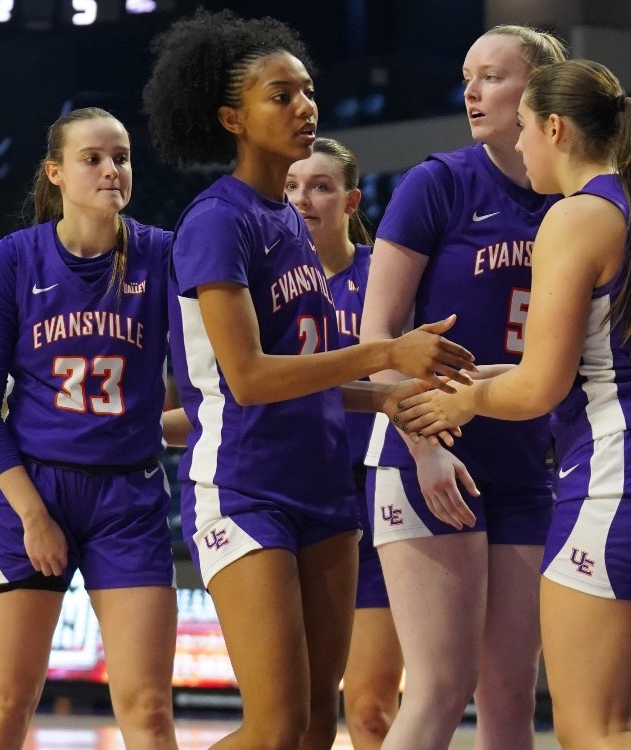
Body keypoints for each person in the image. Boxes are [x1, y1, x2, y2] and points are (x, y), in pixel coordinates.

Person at [143, 11, 473, 749]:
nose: (303, 106)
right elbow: (251, 379)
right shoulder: (215, 222)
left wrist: (390, 398)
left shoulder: (289, 223)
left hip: (326, 485)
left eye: (307, 91)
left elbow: (310, 375)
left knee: (318, 729)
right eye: (280, 95)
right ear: (232, 117)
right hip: (245, 485)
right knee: (274, 728)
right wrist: (379, 357)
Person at [394, 58, 631, 749]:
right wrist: (470, 379)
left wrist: (463, 405)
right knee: (613, 723)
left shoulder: (574, 215)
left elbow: (538, 388)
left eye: (523, 129)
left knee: (592, 731)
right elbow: (601, 364)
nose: (517, 146)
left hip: (622, 472)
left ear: (555, 127)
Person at [357, 25, 565, 750]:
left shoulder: (578, 205)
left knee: (510, 696)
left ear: (537, 93)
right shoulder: (438, 183)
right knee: (440, 688)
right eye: (467, 75)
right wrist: (424, 449)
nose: (471, 92)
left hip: (525, 466)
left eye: (493, 76)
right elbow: (377, 339)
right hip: (429, 454)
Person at [0, 107, 179, 750]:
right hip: (36, 489)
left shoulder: (163, 254)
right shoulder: (12, 259)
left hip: (129, 497)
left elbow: (205, 377)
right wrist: (32, 516)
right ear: (56, 173)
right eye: (93, 158)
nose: (112, 169)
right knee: (7, 703)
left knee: (148, 709)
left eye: (123, 157)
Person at [284, 138, 397, 748]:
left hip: (376, 492)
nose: (304, 199)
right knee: (297, 713)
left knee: (372, 708)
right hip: (294, 493)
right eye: (292, 187)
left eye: (321, 186)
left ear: (351, 201)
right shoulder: (259, 280)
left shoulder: (385, 272)